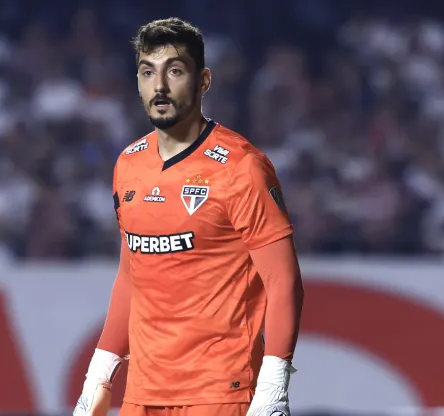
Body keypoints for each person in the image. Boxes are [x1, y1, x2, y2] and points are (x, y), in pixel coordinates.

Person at [73, 17, 304, 416]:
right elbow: (132, 273)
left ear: (204, 81)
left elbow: (283, 280)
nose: (159, 86)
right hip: (143, 393)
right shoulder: (128, 164)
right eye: (148, 72)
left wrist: (273, 385)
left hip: (219, 391)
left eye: (174, 71)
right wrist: (99, 373)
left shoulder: (241, 167)